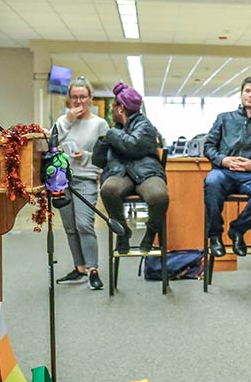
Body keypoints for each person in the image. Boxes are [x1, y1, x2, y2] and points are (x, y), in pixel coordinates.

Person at [202, 76, 251, 258]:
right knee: (211, 181)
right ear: (241, 94)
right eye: (247, 91)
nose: (250, 96)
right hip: (223, 172)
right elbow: (208, 147)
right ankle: (215, 236)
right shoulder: (223, 119)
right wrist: (224, 160)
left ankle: (237, 230)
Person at [95, 82, 168, 254]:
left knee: (159, 196)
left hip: (147, 173)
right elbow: (97, 160)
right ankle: (123, 232)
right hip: (120, 173)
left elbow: (132, 145)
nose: (112, 110)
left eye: (113, 106)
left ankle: (151, 233)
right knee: (108, 189)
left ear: (121, 108)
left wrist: (111, 134)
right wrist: (102, 142)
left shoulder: (145, 126)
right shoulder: (116, 129)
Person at [52, 77, 108, 291]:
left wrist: (85, 156)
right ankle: (80, 267)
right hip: (62, 179)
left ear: (90, 98)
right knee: (70, 227)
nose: (78, 102)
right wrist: (67, 120)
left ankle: (93, 269)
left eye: (83, 97)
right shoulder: (62, 121)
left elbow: (105, 157)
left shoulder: (100, 124)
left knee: (84, 223)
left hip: (86, 179)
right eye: (74, 97)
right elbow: (50, 142)